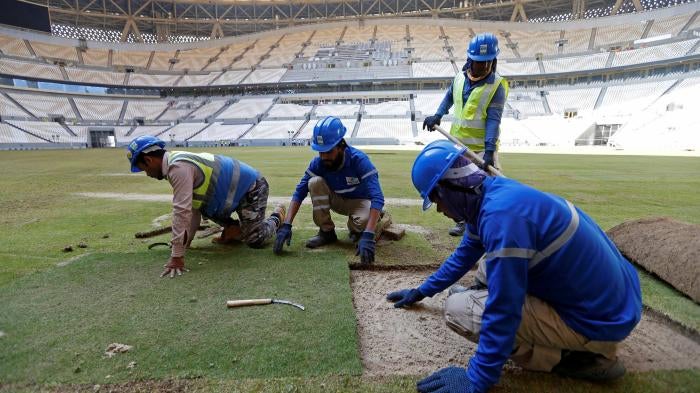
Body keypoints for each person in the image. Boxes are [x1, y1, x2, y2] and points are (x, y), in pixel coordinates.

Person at [387, 140, 642, 393]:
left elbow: (504, 306)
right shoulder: (493, 195)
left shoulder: (501, 219)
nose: (439, 209)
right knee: (489, 265)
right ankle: (581, 340)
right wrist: (422, 290)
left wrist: (476, 379)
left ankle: (577, 357)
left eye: (435, 198)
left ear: (449, 188)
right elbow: (464, 255)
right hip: (613, 302)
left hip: (599, 321)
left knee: (459, 310)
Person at [126, 135, 285, 278]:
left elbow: (181, 213)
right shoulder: (175, 163)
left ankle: (276, 217)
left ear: (148, 160)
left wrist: (176, 257)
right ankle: (233, 228)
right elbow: (194, 209)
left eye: (144, 169)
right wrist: (185, 244)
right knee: (203, 206)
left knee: (254, 240)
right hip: (229, 195)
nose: (147, 174)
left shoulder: (178, 168)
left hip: (252, 188)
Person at [422, 33, 508, 237]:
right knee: (455, 186)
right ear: (470, 60)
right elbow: (449, 97)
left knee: (489, 187)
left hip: (481, 148)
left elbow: (494, 120)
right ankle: (462, 220)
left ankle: (494, 224)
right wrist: (438, 115)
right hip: (457, 145)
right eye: (479, 62)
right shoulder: (460, 78)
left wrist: (489, 151)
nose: (484, 67)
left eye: (488, 62)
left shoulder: (497, 86)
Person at [273, 116, 388, 264]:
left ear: (341, 146)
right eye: (321, 152)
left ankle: (369, 224)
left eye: (328, 151)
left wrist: (369, 234)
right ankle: (327, 232)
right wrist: (287, 224)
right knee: (314, 182)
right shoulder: (318, 163)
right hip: (337, 199)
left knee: (363, 225)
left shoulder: (359, 160)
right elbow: (299, 192)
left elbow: (377, 197)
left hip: (361, 201)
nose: (324, 156)